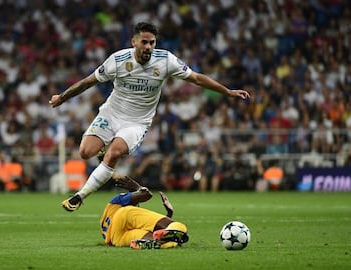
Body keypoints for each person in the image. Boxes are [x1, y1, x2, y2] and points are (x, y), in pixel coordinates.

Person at [49, 22, 251, 211]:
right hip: (111, 114)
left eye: (152, 42)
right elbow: (87, 82)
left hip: (137, 122)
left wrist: (228, 91)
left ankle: (80, 196)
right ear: (134, 42)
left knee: (114, 154)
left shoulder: (165, 60)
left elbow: (197, 78)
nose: (148, 46)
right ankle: (104, 151)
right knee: (85, 153)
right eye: (144, 42)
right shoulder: (118, 61)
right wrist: (62, 97)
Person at [100, 175, 189, 249]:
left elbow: (158, 232)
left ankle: (147, 244)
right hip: (122, 215)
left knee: (164, 241)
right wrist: (137, 187)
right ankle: (176, 233)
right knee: (180, 227)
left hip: (116, 240)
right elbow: (146, 194)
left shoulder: (107, 216)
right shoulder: (118, 200)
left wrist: (169, 214)